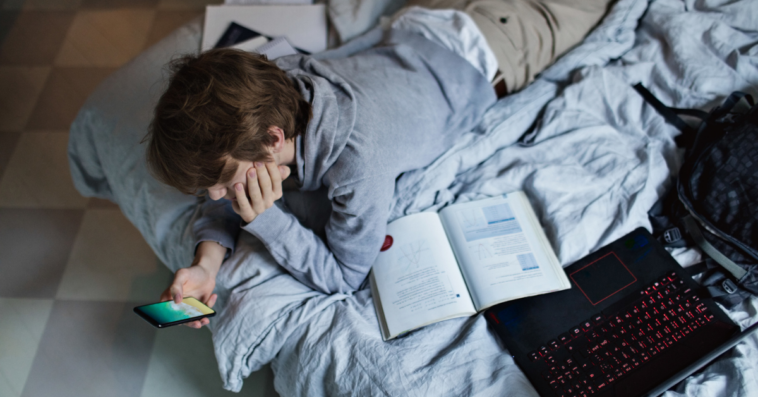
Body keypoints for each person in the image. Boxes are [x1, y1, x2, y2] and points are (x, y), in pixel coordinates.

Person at [144, 0, 611, 328]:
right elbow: (221, 181)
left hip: (502, 42)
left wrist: (265, 219)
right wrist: (207, 264)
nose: (216, 198)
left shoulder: (358, 162)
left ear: (273, 140)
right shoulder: (270, 80)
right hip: (424, 18)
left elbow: (346, 275)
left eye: (225, 182)